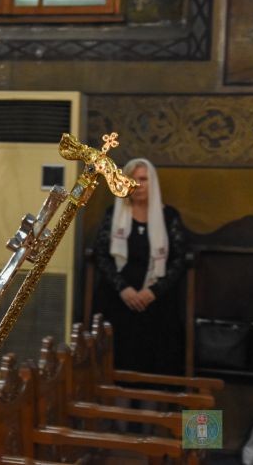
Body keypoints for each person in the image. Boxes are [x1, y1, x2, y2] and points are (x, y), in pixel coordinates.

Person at [92, 157, 188, 376]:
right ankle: (114, 394)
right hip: (118, 295)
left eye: (143, 179)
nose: (138, 185)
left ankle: (155, 395)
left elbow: (179, 260)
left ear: (152, 182)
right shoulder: (113, 214)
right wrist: (123, 289)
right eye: (132, 179)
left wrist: (153, 291)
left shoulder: (169, 216)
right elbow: (101, 255)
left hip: (156, 297)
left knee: (163, 329)